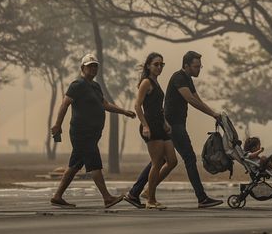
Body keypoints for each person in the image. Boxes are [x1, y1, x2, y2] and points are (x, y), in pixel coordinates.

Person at [125, 51, 223, 209]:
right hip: (172, 124)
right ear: (186, 66)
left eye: (161, 65)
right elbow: (190, 100)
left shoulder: (185, 79)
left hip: (166, 124)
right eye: (196, 66)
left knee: (165, 161)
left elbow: (196, 98)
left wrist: (214, 113)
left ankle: (137, 192)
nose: (199, 69)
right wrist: (145, 125)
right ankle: (201, 198)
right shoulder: (178, 78)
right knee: (187, 158)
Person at [50, 53, 136, 208]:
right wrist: (57, 125)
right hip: (82, 132)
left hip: (93, 133)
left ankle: (57, 196)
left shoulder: (95, 86)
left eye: (95, 65)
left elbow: (105, 104)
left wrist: (124, 111)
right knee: (95, 163)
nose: (93, 68)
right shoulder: (77, 85)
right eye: (90, 66)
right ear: (82, 68)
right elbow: (65, 105)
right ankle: (107, 198)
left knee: (75, 165)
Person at [134, 52, 177, 209]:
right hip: (150, 125)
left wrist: (165, 122)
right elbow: (137, 106)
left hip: (160, 125)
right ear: (148, 66)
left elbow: (158, 108)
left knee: (172, 161)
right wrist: (145, 125)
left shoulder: (156, 82)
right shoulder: (146, 82)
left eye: (161, 64)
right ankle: (151, 200)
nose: (159, 67)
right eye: (156, 64)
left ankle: (148, 191)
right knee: (157, 162)